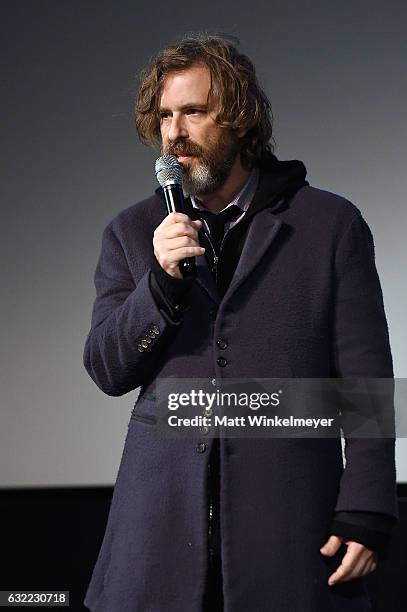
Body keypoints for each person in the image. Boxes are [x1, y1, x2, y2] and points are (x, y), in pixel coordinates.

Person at [83, 33, 398, 612]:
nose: (174, 133)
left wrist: (369, 505)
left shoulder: (327, 224)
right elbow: (107, 367)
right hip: (158, 531)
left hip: (289, 524)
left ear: (242, 120)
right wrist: (160, 283)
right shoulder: (132, 232)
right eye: (165, 116)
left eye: (194, 112)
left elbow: (365, 379)